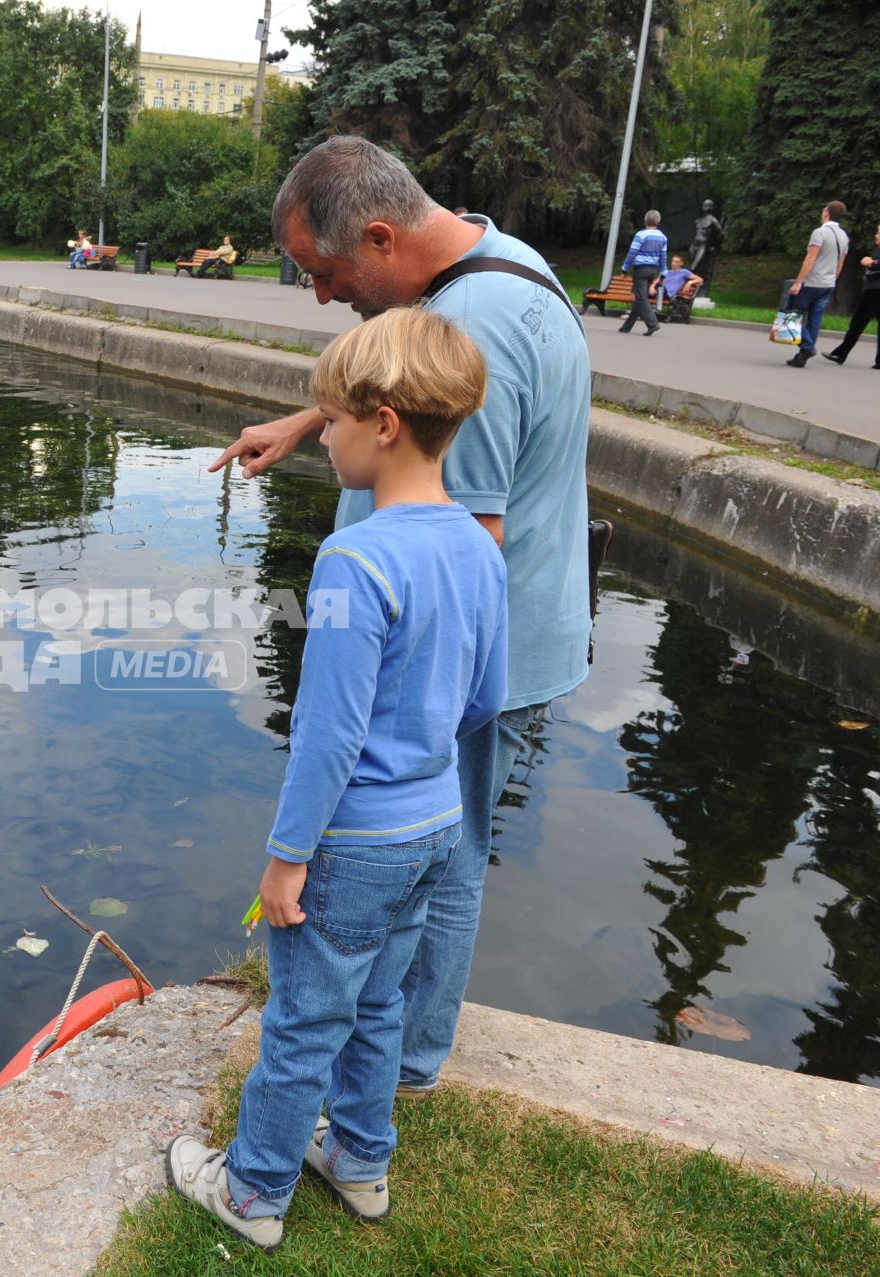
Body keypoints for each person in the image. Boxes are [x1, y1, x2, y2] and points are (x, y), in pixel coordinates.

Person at [210, 136, 591, 1111]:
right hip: (475, 644)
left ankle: (406, 1056)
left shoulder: (484, 324)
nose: (323, 295)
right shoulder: (488, 267)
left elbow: (471, 539)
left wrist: (373, 669)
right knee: (438, 840)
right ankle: (393, 1043)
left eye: (330, 273)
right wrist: (303, 423)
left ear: (380, 237)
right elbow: (412, 400)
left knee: (440, 850)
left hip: (444, 659)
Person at [169, 306, 506, 1247]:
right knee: (382, 1003)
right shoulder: (480, 546)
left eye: (335, 421)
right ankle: (360, 1162)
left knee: (304, 1020)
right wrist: (424, 764)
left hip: (354, 841)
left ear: (385, 424)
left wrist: (286, 858)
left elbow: (326, 738)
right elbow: (488, 698)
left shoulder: (355, 558)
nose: (327, 440)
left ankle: (253, 1193)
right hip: (437, 824)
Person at [824, 219, 880, 369]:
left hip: (876, 291)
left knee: (858, 323)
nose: (876, 235)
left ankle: (840, 354)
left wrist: (868, 262)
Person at [786, 201, 850, 367]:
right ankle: (802, 357)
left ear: (827, 213)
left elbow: (811, 258)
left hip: (812, 282)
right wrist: (832, 280)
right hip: (828, 284)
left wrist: (798, 282)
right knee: (815, 319)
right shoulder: (844, 236)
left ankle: (807, 347)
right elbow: (840, 263)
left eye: (823, 210)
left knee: (793, 315)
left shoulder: (819, 233)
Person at [618, 209, 666, 335]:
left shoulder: (641, 235)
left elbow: (632, 253)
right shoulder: (662, 237)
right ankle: (626, 327)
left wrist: (624, 268)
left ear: (645, 220)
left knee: (640, 297)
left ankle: (652, 323)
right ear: (658, 221)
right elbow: (663, 257)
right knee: (639, 297)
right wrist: (663, 273)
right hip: (653, 270)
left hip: (641, 269)